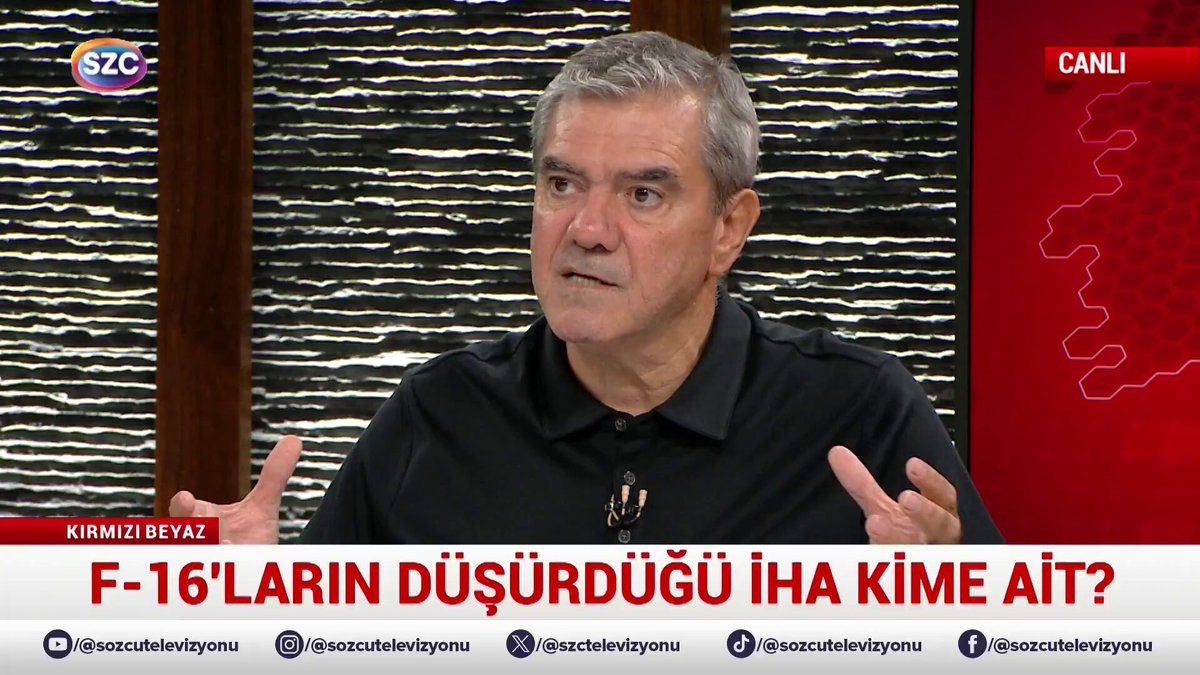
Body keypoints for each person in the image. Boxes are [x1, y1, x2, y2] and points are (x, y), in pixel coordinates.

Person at [169, 31, 1003, 545]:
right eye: (562, 184)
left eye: (643, 194)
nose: (587, 228)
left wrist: (945, 605)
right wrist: (251, 611)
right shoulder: (438, 417)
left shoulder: (857, 412)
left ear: (729, 227)